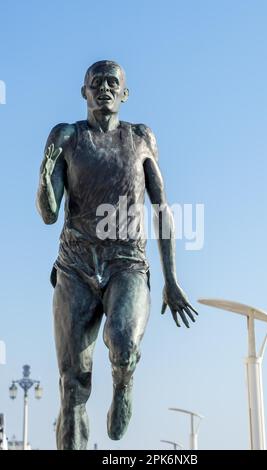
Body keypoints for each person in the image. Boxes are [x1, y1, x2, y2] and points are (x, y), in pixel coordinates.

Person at [36, 60, 197, 450]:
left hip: (127, 262)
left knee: (123, 343)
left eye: (112, 83)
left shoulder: (140, 137)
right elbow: (49, 214)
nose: (104, 89)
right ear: (84, 93)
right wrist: (46, 173)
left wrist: (171, 280)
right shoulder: (68, 136)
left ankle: (123, 383)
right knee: (72, 383)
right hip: (76, 265)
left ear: (124, 94)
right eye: (96, 83)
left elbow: (161, 210)